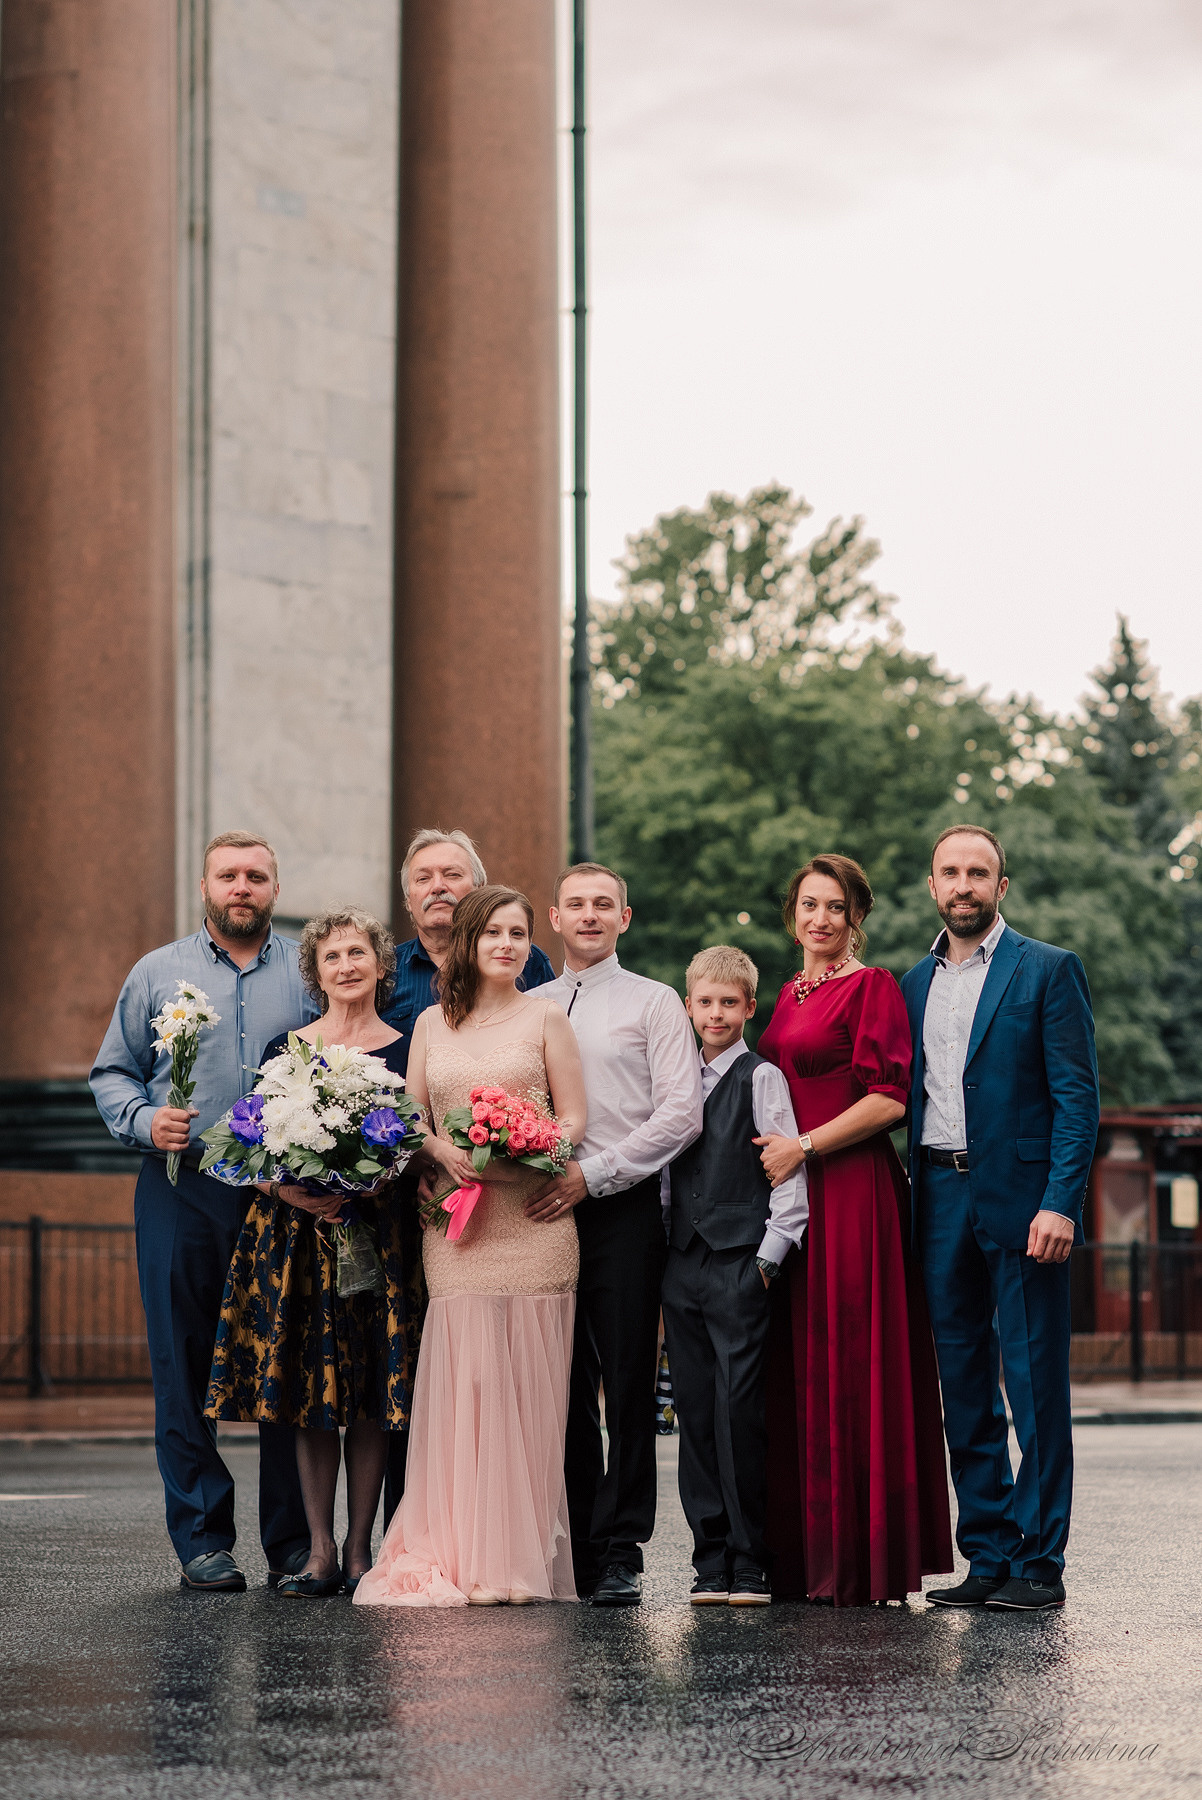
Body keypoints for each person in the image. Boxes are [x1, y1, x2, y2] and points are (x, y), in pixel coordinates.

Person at [89, 832, 312, 1592]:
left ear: (274, 888)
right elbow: (113, 1072)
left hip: (283, 1196)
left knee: (286, 1363)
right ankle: (202, 1539)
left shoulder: (308, 972)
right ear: (206, 885)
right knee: (181, 1366)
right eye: (228, 876)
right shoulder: (158, 972)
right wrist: (146, 1120)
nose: (241, 887)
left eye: (256, 876)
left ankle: (293, 1547)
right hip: (180, 1186)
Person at [354, 885, 587, 1607]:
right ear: (470, 944)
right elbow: (409, 1112)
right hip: (457, 1228)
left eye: (519, 933)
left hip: (537, 1221)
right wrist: (441, 1153)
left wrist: (531, 1144)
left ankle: (515, 1559)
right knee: (470, 1384)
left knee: (528, 1393)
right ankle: (459, 1548)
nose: (509, 945)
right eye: (495, 934)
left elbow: (574, 1117)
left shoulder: (547, 1017)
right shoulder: (430, 1022)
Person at [901, 826, 1099, 1613]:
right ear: (932, 885)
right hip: (939, 1195)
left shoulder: (1048, 969)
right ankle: (985, 1554)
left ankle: (1040, 1562)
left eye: (978, 872)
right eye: (951, 872)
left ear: (1001, 886)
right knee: (965, 1385)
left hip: (1025, 1204)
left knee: (1035, 1382)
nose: (964, 885)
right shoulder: (910, 984)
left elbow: (1077, 1098)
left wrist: (1061, 1201)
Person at [204, 908, 425, 1597]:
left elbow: (414, 1139)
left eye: (359, 953)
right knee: (310, 1393)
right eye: (333, 957)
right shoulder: (285, 1048)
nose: (347, 966)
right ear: (316, 971)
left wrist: (374, 1176)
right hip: (297, 1240)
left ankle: (362, 1551)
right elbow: (248, 1142)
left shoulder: (408, 1044)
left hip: (376, 1235)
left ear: (382, 965)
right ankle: (319, 1551)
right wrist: (292, 1193)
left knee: (366, 1392)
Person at [755, 853, 953, 1606]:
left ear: (854, 918)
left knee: (851, 1359)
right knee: (799, 1363)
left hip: (851, 1190)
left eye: (835, 907)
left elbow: (890, 1099)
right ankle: (804, 1557)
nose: (820, 919)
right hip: (789, 1192)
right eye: (809, 904)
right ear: (793, 913)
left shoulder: (870, 987)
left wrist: (804, 1146)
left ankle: (863, 1560)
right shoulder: (787, 993)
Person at [533, 863, 704, 1607]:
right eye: (577, 905)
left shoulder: (654, 1002)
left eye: (604, 905)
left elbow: (681, 1113)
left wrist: (594, 1173)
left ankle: (621, 1548)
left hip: (623, 1206)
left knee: (628, 1381)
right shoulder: (527, 1003)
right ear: (555, 918)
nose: (590, 915)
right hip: (537, 1208)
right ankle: (574, 1533)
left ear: (625, 918)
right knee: (559, 1382)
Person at [662, 945, 809, 1607]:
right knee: (693, 1411)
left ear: (750, 1008)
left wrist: (766, 1263)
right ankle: (710, 1559)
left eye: (729, 1002)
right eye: (705, 1001)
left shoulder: (762, 1078)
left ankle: (750, 1562)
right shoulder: (674, 1078)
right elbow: (665, 1172)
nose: (716, 1013)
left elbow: (788, 1177)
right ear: (688, 1005)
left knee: (737, 1411)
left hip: (740, 1263)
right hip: (681, 1263)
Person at [381, 828, 556, 1072]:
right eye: (423, 879)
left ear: (479, 889)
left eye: (452, 875)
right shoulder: (384, 970)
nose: (438, 887)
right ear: (408, 900)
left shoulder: (527, 960)